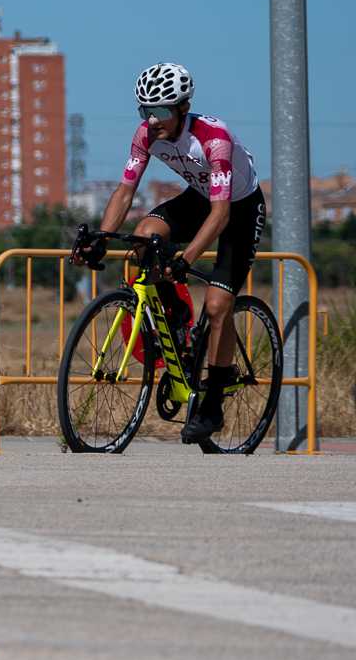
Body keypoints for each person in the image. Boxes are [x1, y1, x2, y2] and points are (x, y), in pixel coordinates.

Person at [73, 62, 266, 444]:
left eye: (160, 111)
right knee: (145, 236)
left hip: (239, 209)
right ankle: (174, 317)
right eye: (145, 111)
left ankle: (213, 399)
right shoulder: (146, 135)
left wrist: (187, 258)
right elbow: (125, 191)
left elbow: (222, 213)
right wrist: (103, 238)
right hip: (198, 199)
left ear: (182, 107)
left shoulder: (213, 138)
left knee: (216, 305)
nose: (152, 120)